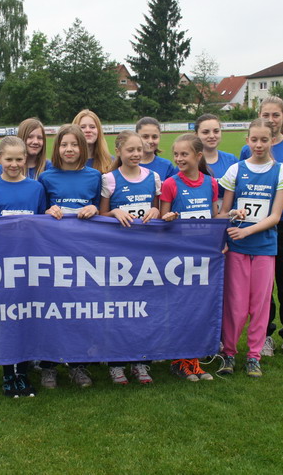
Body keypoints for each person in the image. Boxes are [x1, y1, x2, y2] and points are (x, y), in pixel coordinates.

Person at [216, 118, 283, 378]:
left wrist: (247, 230)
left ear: (273, 140)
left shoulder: (281, 172)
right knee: (236, 304)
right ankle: (229, 353)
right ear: (247, 140)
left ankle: (254, 356)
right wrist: (233, 214)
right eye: (254, 140)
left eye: (264, 140)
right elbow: (223, 212)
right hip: (237, 248)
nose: (259, 144)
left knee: (260, 305)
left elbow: (275, 216)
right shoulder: (236, 170)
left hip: (264, 247)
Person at [240, 97, 283, 358]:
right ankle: (265, 335)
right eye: (266, 115)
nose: (271, 120)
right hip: (259, 226)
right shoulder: (248, 148)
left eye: (276, 115)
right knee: (262, 288)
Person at [0, 136, 46, 398]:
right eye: (9, 159)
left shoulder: (36, 188)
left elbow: (42, 224)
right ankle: (8, 373)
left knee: (27, 317)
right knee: (6, 318)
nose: (14, 164)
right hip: (1, 264)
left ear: (26, 159)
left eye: (19, 159)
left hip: (29, 263)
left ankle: (23, 372)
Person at [39, 124, 102, 389]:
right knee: (51, 309)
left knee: (79, 308)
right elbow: (38, 213)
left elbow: (101, 209)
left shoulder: (94, 176)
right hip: (53, 252)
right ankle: (48, 366)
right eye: (64, 144)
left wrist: (94, 208)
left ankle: (78, 365)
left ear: (83, 147)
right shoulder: (46, 177)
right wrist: (47, 211)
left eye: (74, 144)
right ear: (57, 148)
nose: (69, 149)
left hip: (83, 251)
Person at [98, 130, 161, 384]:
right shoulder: (109, 179)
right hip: (118, 255)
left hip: (146, 255)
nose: (136, 154)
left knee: (144, 308)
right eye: (130, 150)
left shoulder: (153, 177)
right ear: (118, 152)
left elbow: (157, 208)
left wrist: (156, 210)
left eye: (139, 150)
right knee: (118, 309)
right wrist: (115, 212)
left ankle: (141, 362)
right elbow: (101, 215)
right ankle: (116, 363)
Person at [159, 133, 218, 382]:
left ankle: (194, 360)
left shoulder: (211, 183)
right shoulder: (170, 184)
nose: (179, 158)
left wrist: (221, 236)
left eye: (184, 154)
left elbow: (214, 219)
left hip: (203, 258)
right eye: (176, 154)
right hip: (178, 257)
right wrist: (169, 218)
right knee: (180, 309)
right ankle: (179, 360)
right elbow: (162, 220)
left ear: (198, 155)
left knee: (199, 309)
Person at [194, 113, 239, 210]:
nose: (212, 136)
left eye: (216, 131)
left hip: (227, 216)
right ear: (196, 135)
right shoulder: (188, 162)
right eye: (205, 132)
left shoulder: (232, 160)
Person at [136, 116, 177, 180]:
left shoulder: (166, 166)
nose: (150, 141)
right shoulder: (127, 165)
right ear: (136, 137)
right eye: (145, 137)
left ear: (159, 137)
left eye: (154, 137)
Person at [72, 109, 112, 173]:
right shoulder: (66, 163)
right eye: (82, 127)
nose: (88, 130)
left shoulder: (111, 162)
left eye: (92, 127)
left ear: (98, 131)